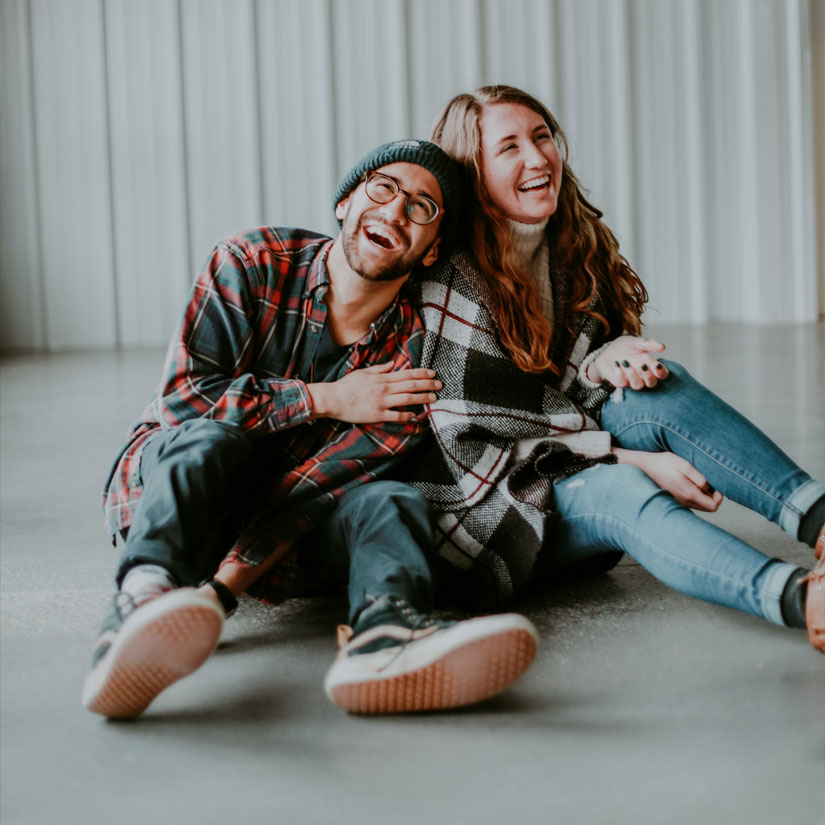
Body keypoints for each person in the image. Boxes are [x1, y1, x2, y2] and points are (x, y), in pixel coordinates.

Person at [82, 139, 538, 720]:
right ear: (346, 203)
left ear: (429, 252)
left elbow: (323, 486)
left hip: (287, 538)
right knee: (213, 438)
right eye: (383, 188)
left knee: (390, 500)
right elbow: (183, 405)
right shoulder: (251, 261)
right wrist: (326, 399)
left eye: (422, 208)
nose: (397, 211)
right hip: (177, 497)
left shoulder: (415, 356)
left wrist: (222, 591)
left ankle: (387, 634)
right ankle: (142, 600)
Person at [406, 85, 825, 653]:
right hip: (485, 517)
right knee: (619, 486)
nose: (537, 158)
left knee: (654, 387)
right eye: (509, 147)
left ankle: (817, 519)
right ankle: (803, 599)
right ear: (472, 170)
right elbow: (480, 444)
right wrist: (629, 458)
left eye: (542, 136)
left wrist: (605, 358)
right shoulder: (451, 279)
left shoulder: (567, 242)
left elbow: (550, 389)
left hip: (554, 476)